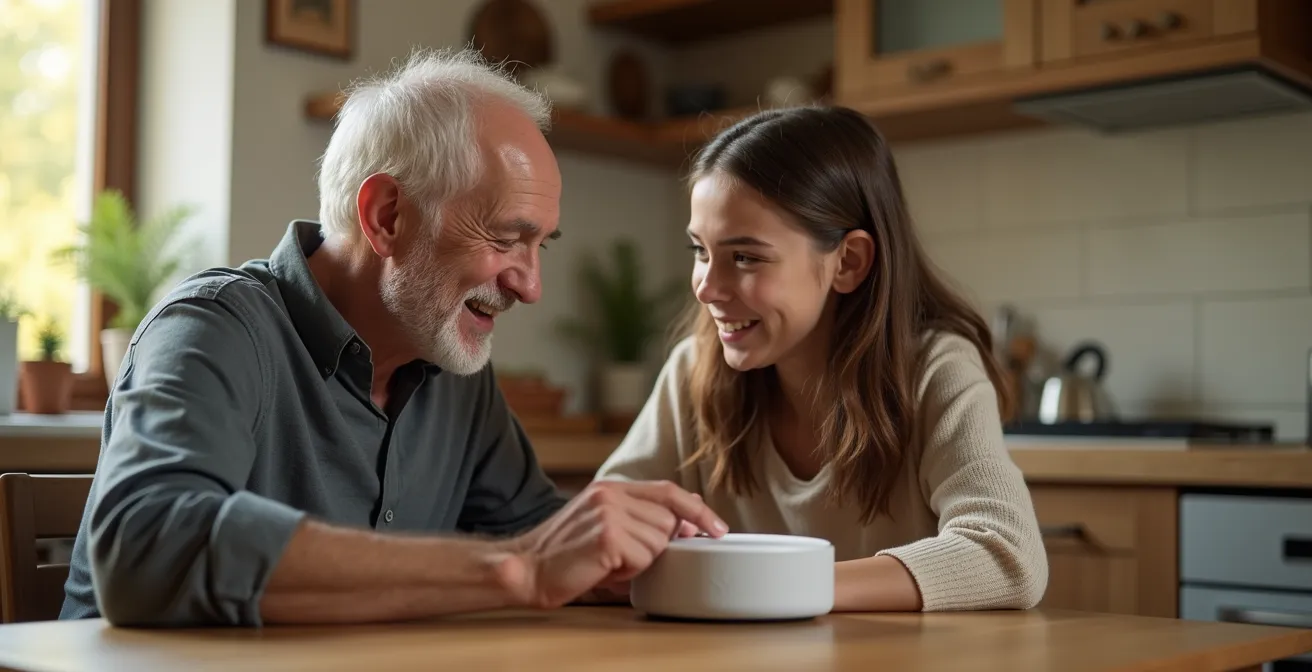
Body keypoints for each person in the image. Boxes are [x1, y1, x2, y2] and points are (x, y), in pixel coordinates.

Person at [58, 48, 727, 628]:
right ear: (386, 216)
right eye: (505, 238)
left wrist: (637, 554)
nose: (531, 287)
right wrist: (520, 569)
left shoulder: (455, 372)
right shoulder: (213, 328)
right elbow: (146, 547)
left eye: (540, 245)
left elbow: (540, 542)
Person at [594, 105, 1048, 613]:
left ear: (848, 262)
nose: (706, 287)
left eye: (745, 257)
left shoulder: (935, 370)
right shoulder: (692, 370)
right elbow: (600, 533)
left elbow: (1007, 555)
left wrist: (770, 585)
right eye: (701, 251)